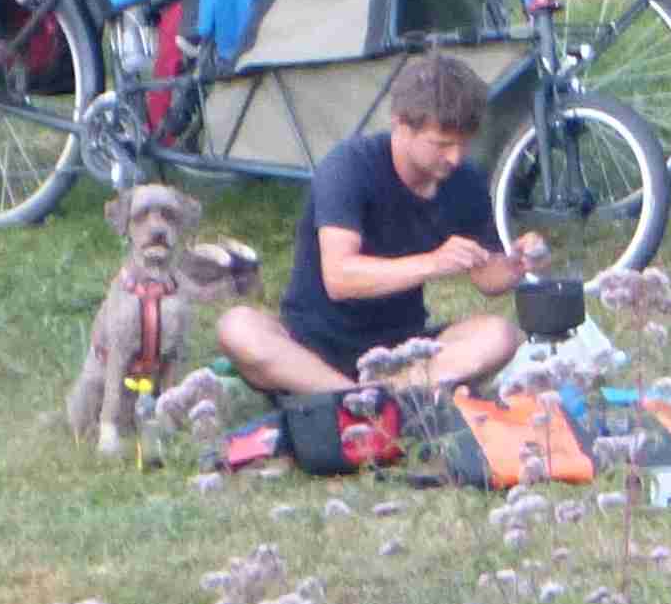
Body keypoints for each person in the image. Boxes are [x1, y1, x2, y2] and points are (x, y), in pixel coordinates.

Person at [218, 52, 546, 405]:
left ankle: (371, 401)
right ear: (401, 124)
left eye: (463, 144)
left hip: (403, 350)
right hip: (313, 348)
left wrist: (515, 264)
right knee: (238, 327)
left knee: (500, 335)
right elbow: (340, 278)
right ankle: (359, 398)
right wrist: (433, 262)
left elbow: (487, 278)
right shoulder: (349, 167)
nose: (455, 157)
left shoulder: (463, 181)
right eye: (442, 144)